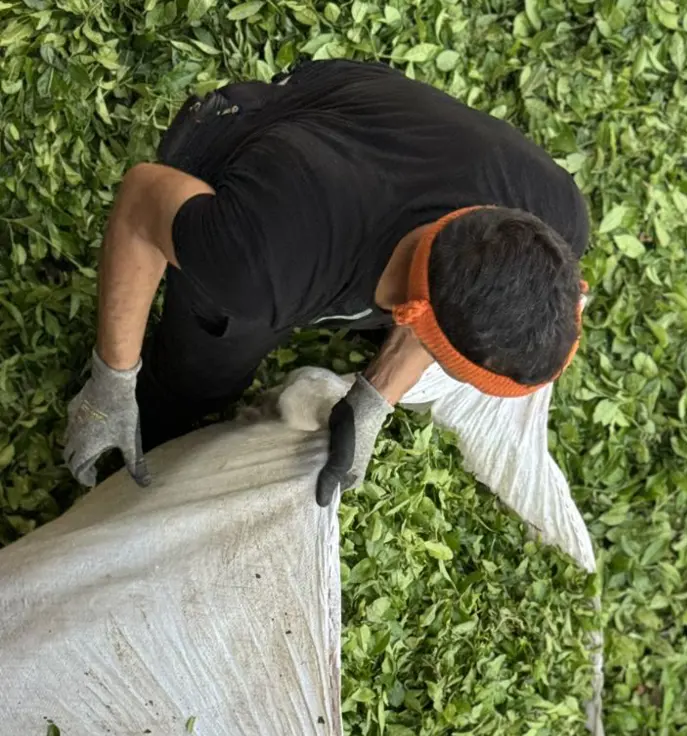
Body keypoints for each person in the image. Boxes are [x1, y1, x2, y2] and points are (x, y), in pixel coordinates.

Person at [64, 60, 590, 503]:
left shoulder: (557, 215)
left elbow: (444, 292)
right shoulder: (263, 263)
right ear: (414, 315)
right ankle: (144, 428)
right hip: (245, 140)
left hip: (358, 118)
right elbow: (141, 200)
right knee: (199, 375)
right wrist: (110, 380)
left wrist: (373, 401)